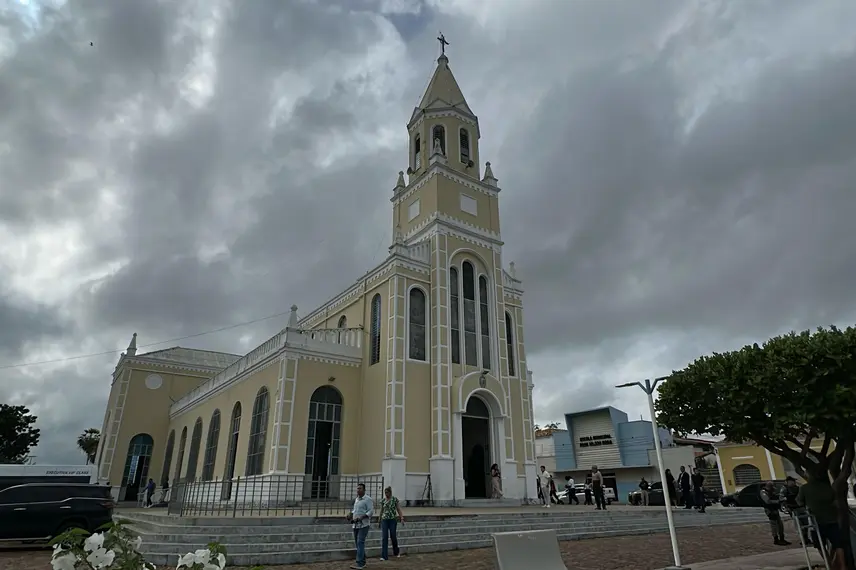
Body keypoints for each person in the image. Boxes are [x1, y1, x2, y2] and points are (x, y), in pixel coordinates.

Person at [798, 472, 845, 570]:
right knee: (838, 544)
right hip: (832, 519)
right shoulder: (827, 487)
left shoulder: (804, 488)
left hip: (816, 521)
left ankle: (829, 564)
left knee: (820, 545)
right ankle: (842, 565)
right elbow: (835, 501)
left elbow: (799, 501)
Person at [780, 476, 814, 547]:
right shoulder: (785, 489)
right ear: (788, 482)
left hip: (801, 508)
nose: (793, 483)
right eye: (791, 481)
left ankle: (806, 538)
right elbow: (782, 499)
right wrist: (787, 506)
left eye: (793, 481)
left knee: (805, 524)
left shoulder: (798, 488)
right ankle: (803, 539)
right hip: (793, 509)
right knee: (799, 525)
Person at [347, 483, 374, 569]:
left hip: (364, 525)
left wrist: (362, 517)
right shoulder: (357, 499)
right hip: (355, 525)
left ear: (364, 490)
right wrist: (350, 514)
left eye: (360, 488)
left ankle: (359, 563)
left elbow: (370, 511)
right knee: (358, 544)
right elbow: (355, 510)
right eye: (357, 488)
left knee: (360, 542)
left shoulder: (368, 499)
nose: (358, 490)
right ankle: (363, 561)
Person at [760, 480, 790, 546]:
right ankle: (776, 539)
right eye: (771, 486)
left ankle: (782, 539)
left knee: (780, 525)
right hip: (769, 510)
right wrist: (777, 501)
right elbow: (767, 501)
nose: (773, 487)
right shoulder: (763, 492)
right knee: (774, 525)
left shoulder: (771, 491)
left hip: (775, 509)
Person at [379, 486, 404, 561]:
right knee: (384, 537)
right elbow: (381, 510)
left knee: (393, 536)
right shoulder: (383, 501)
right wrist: (379, 519)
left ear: (390, 492)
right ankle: (384, 555)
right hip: (385, 520)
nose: (386, 494)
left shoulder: (394, 500)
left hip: (392, 519)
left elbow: (398, 509)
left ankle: (396, 552)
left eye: (387, 492)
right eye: (385, 492)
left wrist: (401, 517)